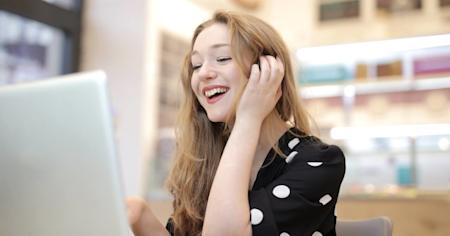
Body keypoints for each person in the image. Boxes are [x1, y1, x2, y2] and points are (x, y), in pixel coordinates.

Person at [127, 10, 346, 236]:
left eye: (222, 59)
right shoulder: (205, 159)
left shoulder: (320, 161)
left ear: (267, 71)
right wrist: (141, 218)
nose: (203, 73)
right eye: (196, 65)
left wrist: (249, 118)